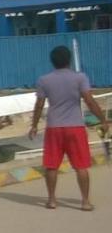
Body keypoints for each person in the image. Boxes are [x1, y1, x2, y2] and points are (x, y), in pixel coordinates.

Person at [29, 45, 108, 210]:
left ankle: (51, 200)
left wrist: (34, 125)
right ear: (69, 60)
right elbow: (89, 100)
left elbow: (39, 105)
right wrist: (103, 120)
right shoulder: (80, 78)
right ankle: (85, 202)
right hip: (75, 127)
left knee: (51, 165)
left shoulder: (44, 80)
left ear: (52, 61)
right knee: (81, 166)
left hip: (54, 128)